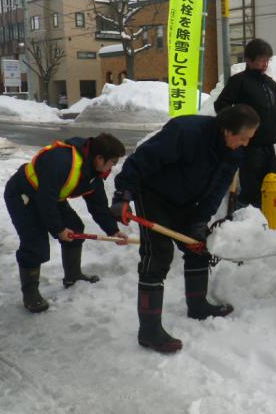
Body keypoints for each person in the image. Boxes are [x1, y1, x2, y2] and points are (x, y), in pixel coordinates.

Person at [111, 104, 260, 354]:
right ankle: (148, 331)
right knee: (157, 257)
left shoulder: (233, 152)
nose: (245, 143)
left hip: (187, 201)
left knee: (198, 246)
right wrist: (123, 194)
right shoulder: (187, 132)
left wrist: (200, 220)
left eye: (249, 139)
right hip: (154, 194)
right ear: (227, 130)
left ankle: (198, 305)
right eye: (243, 138)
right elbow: (141, 160)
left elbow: (216, 190)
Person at [4, 133, 128, 313]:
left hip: (49, 196)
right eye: (112, 162)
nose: (112, 167)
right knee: (35, 245)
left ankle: (73, 276)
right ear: (100, 158)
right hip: (23, 195)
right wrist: (59, 229)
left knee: (76, 229)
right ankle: (30, 293)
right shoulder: (63, 162)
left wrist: (113, 230)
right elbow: (45, 200)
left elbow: (98, 205)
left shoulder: (92, 172)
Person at [213, 38, 276, 209]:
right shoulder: (239, 82)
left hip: (268, 148)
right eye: (261, 59)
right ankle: (244, 224)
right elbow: (221, 105)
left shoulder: (271, 85)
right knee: (251, 193)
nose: (265, 64)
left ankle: (266, 225)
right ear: (249, 60)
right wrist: (236, 127)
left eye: (267, 60)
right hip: (249, 148)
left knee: (269, 189)